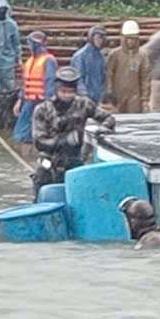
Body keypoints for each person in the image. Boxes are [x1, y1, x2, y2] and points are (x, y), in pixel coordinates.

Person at [31, 67, 116, 197]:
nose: (66, 95)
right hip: (50, 162)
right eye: (63, 91)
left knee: (79, 196)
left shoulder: (84, 104)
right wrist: (65, 141)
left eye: (70, 92)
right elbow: (39, 141)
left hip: (75, 161)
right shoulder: (43, 109)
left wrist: (102, 129)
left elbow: (108, 118)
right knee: (43, 194)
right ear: (56, 90)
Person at [14, 31, 57, 145]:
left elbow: (50, 82)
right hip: (29, 101)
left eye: (36, 43)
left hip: (41, 101)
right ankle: (26, 154)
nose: (33, 46)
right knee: (22, 132)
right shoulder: (29, 61)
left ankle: (31, 156)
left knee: (36, 131)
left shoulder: (48, 60)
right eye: (31, 43)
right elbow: (24, 83)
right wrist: (20, 100)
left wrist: (49, 103)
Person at [106, 20, 152, 114]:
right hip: (117, 96)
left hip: (135, 97)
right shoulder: (115, 54)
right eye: (128, 38)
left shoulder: (142, 55)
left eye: (133, 39)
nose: (130, 41)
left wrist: (145, 99)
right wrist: (109, 92)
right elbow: (108, 74)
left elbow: (145, 78)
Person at [71, 25, 109, 104]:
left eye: (102, 38)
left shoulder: (100, 57)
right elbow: (78, 79)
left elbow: (103, 78)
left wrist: (102, 95)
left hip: (96, 99)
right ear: (91, 38)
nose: (100, 41)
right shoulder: (80, 56)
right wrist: (84, 96)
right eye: (98, 37)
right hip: (83, 99)